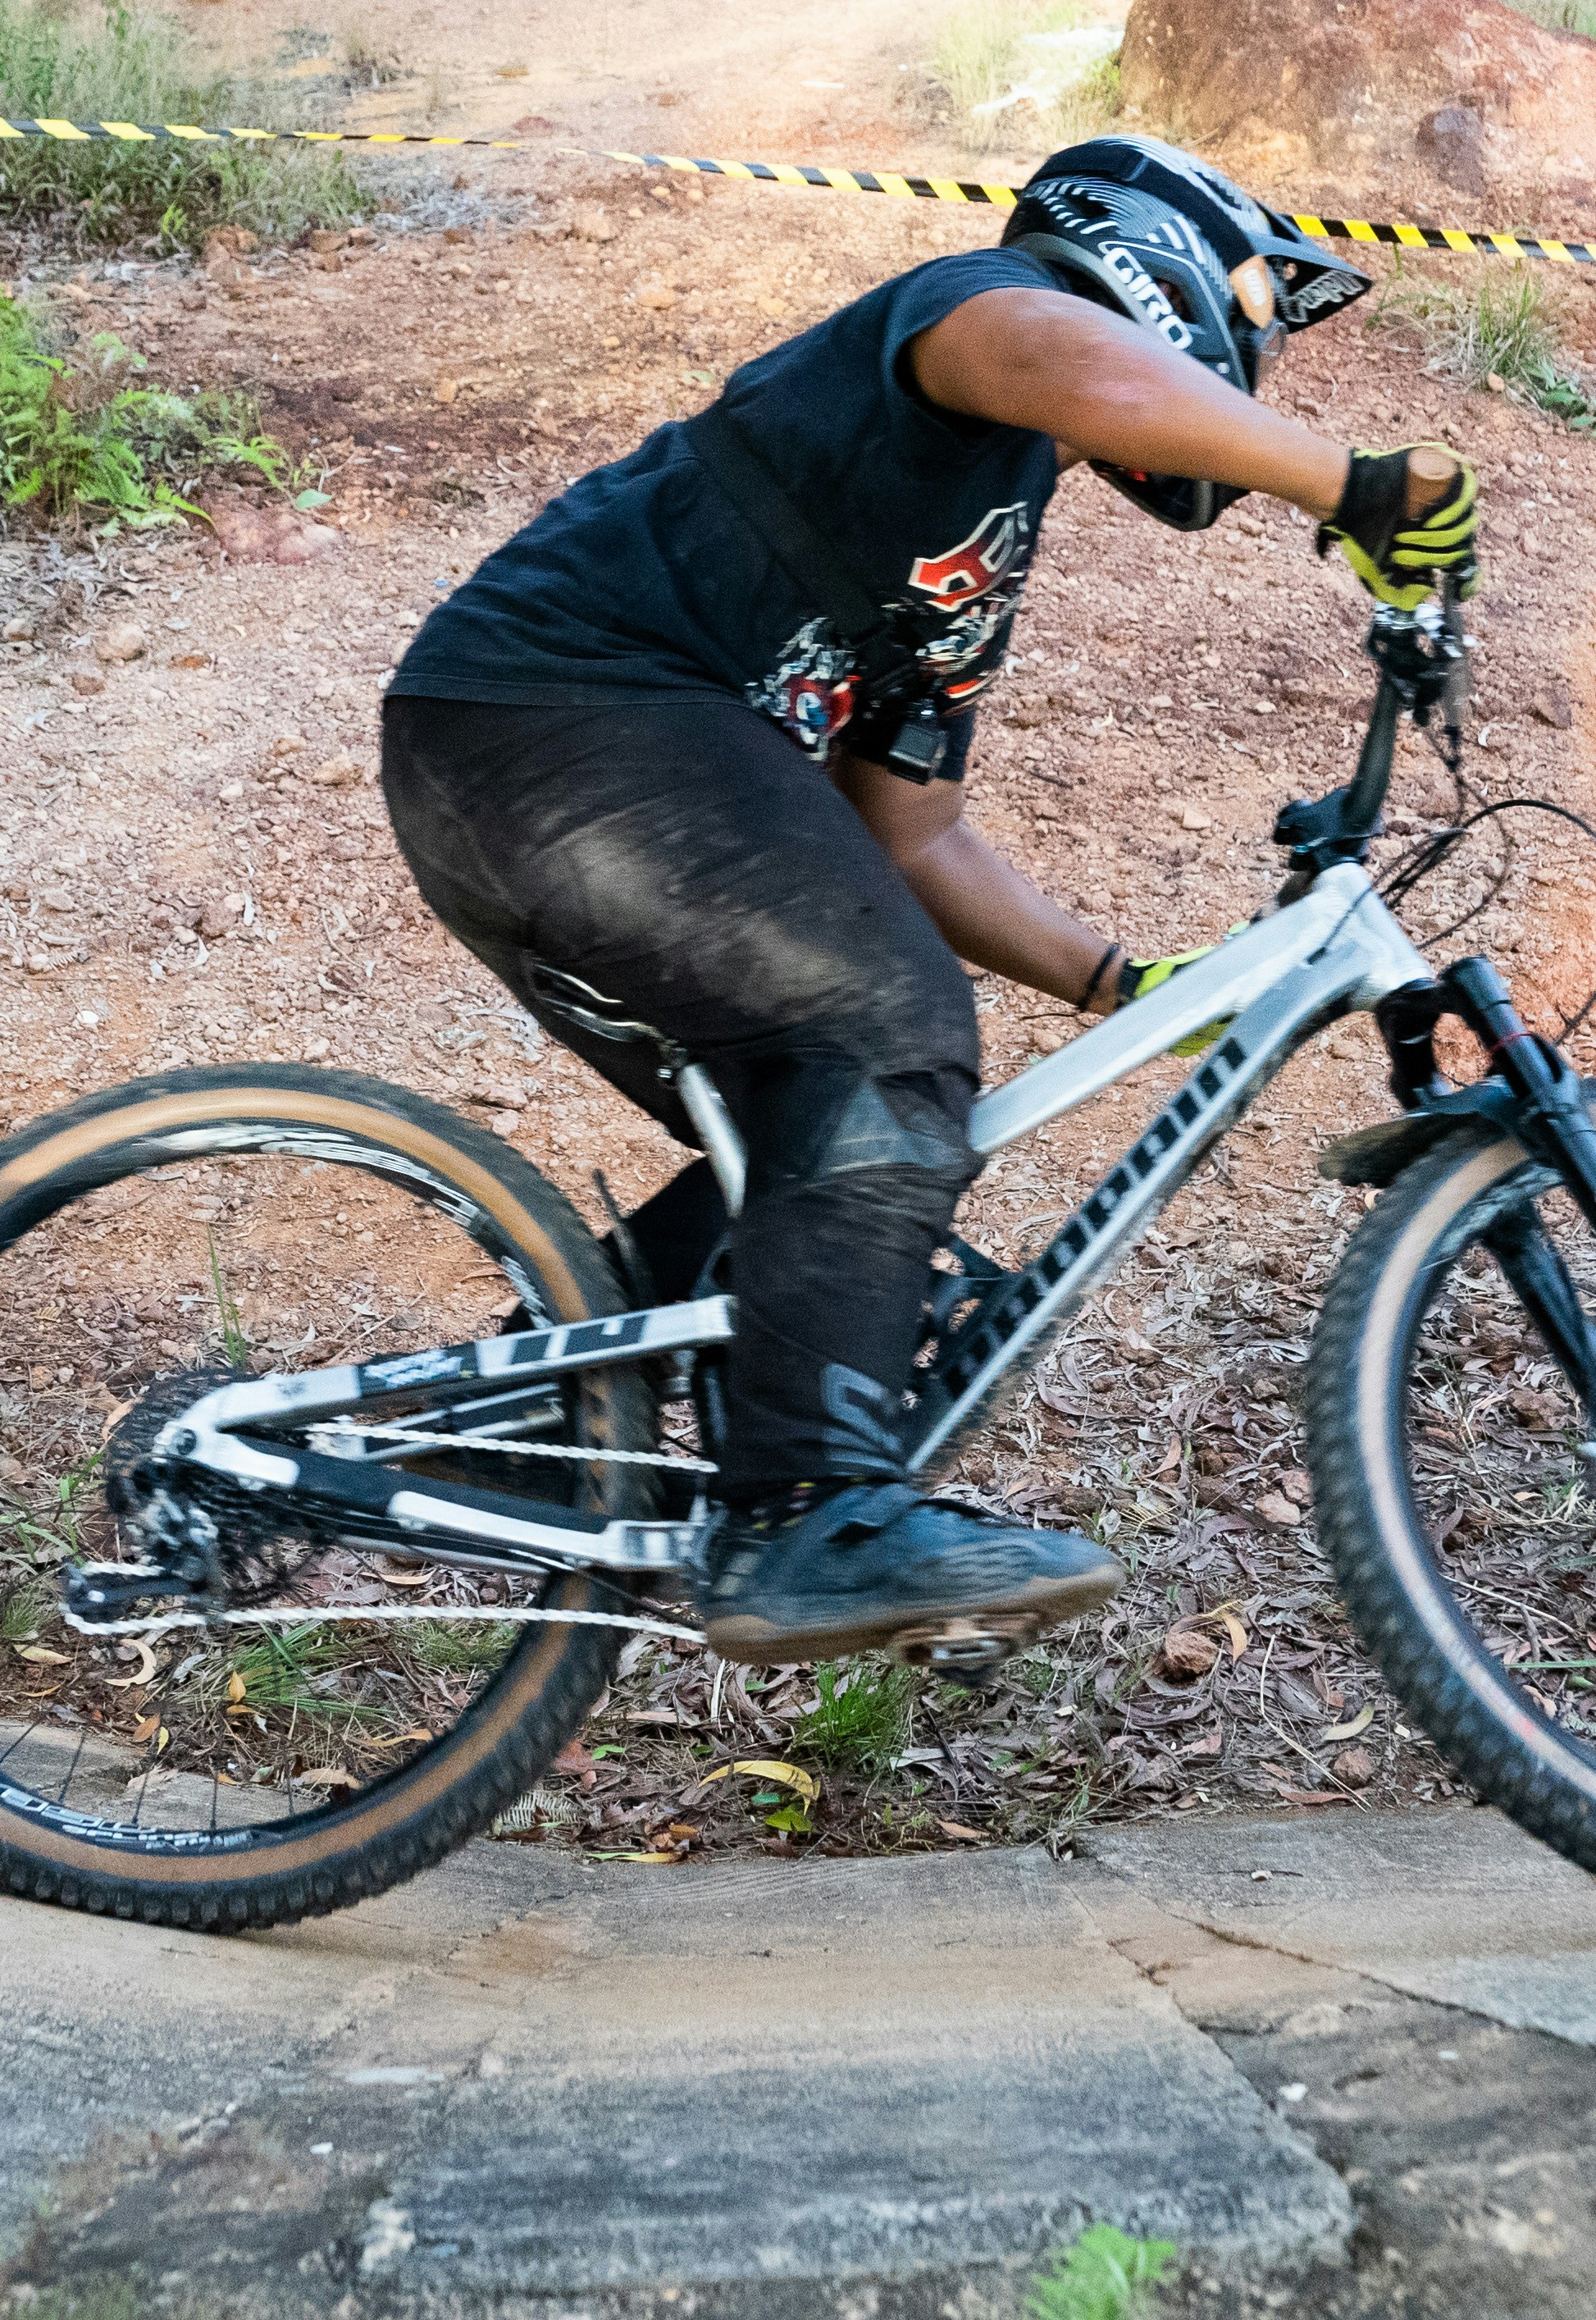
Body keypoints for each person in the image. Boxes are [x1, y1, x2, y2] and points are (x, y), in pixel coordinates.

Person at [376, 135, 1482, 1663]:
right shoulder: (972, 313)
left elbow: (908, 833)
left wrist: (1117, 983)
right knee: (888, 1027)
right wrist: (1351, 484)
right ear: (1152, 261)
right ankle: (811, 1513)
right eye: (1251, 323)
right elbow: (1060, 356)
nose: (1255, 370)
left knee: (841, 1130)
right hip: (567, 722)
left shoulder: (981, 530)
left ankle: (527, 1413)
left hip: (519, 770)